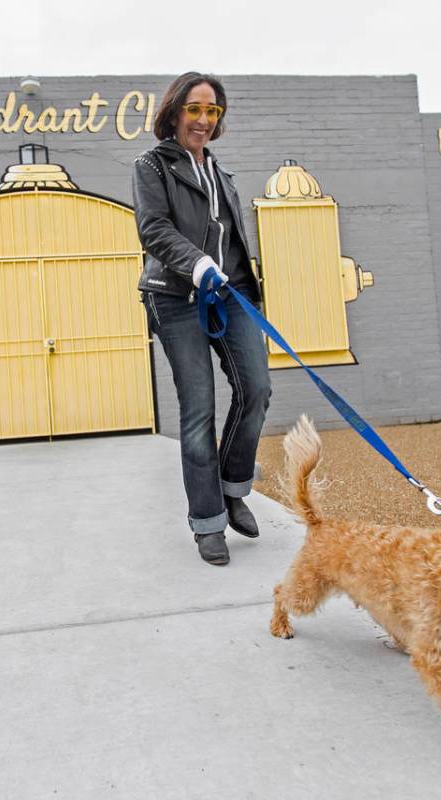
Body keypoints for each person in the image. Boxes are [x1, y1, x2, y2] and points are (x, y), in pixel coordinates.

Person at [132, 71, 272, 566]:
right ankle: (208, 521)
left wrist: (242, 287)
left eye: (212, 111)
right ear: (174, 112)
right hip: (174, 296)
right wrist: (196, 264)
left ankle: (233, 487)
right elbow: (153, 229)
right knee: (199, 409)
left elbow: (233, 243)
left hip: (228, 293)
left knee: (256, 388)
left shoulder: (221, 176)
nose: (204, 119)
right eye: (195, 109)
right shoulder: (152, 166)